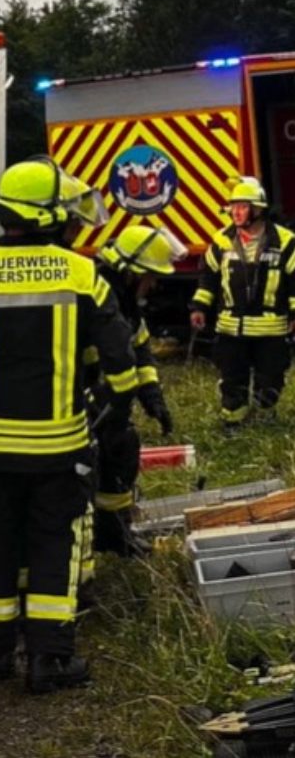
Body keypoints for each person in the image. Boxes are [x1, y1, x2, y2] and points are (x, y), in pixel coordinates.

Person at [0, 158, 136, 695]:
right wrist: (116, 410)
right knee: (55, 543)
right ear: (52, 215)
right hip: (60, 445)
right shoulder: (82, 272)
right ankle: (49, 659)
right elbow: (120, 360)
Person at [90, 226, 185, 555]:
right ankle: (99, 536)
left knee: (120, 454)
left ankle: (113, 532)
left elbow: (140, 350)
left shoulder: (125, 302)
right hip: (86, 399)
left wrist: (153, 399)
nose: (154, 284)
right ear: (132, 272)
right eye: (150, 276)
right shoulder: (98, 296)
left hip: (109, 402)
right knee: (95, 465)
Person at [191, 177, 295, 429]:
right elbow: (208, 278)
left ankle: (265, 422)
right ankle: (233, 425)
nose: (235, 212)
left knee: (270, 380)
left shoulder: (285, 241)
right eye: (232, 206)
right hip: (230, 329)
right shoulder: (222, 241)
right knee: (232, 379)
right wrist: (199, 307)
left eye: (242, 206)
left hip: (270, 329)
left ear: (258, 209)